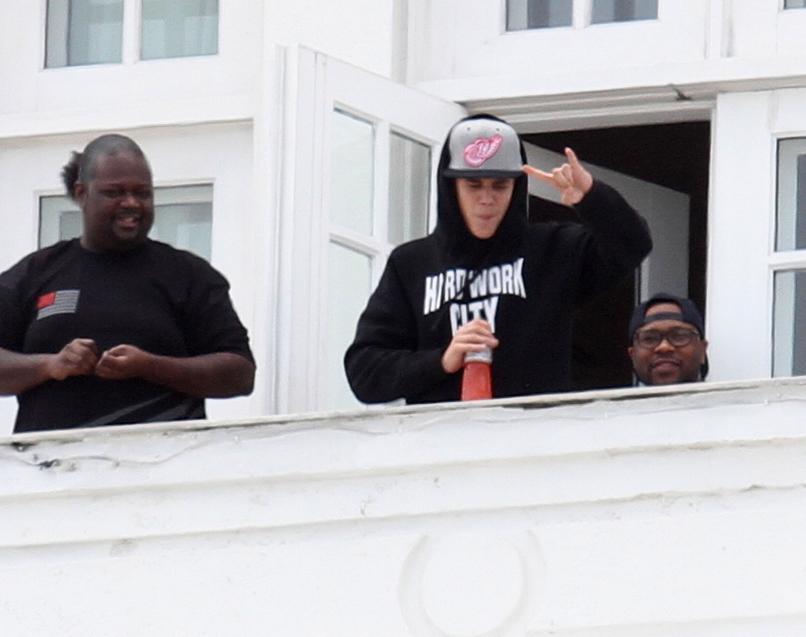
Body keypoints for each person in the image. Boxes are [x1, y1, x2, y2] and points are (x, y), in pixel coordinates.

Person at [344, 114, 652, 404]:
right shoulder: (410, 264)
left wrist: (591, 196)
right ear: (451, 188)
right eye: (473, 185)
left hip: (529, 443)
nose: (487, 199)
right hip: (437, 447)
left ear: (516, 187)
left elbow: (633, 244)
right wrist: (441, 360)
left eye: (500, 185)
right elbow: (364, 372)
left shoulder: (554, 249)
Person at [0, 134, 255, 432]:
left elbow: (240, 374)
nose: (131, 203)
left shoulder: (189, 275)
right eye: (115, 192)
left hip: (164, 467)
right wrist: (51, 365)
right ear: (82, 193)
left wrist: (149, 366)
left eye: (143, 193)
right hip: (52, 470)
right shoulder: (35, 273)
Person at [628, 292, 709, 385]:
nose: (664, 347)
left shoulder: (727, 398)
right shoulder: (609, 399)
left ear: (702, 350)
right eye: (649, 339)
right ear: (632, 355)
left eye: (679, 336)